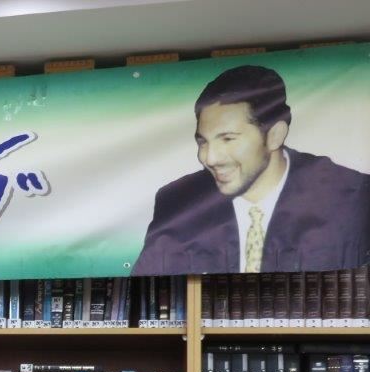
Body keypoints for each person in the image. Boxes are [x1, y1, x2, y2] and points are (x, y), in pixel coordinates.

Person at [133, 64, 370, 275]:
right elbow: (147, 285)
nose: (209, 158)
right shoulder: (177, 202)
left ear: (275, 135)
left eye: (227, 139)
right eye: (203, 141)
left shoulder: (351, 197)